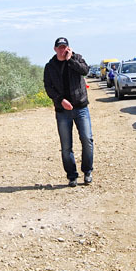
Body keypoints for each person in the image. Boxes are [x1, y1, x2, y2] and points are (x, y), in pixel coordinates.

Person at [43, 37, 94, 187]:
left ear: (68, 48)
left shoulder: (77, 59)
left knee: (87, 140)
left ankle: (87, 171)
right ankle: (72, 176)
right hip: (62, 111)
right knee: (66, 146)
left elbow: (85, 71)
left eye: (64, 47)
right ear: (55, 49)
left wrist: (70, 60)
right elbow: (48, 87)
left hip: (81, 108)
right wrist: (61, 101)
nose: (62, 50)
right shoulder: (50, 66)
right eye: (59, 47)